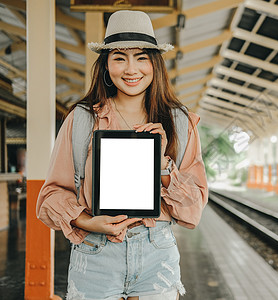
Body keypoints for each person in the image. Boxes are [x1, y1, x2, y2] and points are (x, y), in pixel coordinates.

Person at [36, 10, 208, 300]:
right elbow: (50, 195)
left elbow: (192, 211)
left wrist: (164, 163)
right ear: (106, 65)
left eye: (141, 57)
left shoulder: (180, 122)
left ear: (155, 64)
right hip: (94, 253)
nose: (131, 69)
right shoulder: (82, 120)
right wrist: (86, 222)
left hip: (157, 256)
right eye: (119, 58)